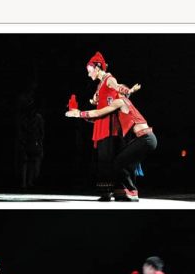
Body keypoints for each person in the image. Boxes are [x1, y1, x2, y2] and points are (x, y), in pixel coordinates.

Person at [66, 92, 157, 202]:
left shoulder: (120, 101)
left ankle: (130, 191)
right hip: (146, 138)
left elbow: (98, 112)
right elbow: (101, 117)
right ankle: (124, 191)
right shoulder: (122, 106)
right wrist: (83, 114)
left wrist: (79, 113)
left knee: (119, 161)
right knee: (125, 163)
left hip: (145, 138)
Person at [82, 51, 141, 200]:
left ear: (97, 68)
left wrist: (129, 90)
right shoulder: (100, 84)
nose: (88, 74)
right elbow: (104, 98)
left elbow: (118, 87)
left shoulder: (109, 79)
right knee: (104, 159)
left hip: (110, 125)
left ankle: (124, 190)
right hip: (102, 123)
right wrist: (95, 100)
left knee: (112, 158)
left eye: (90, 71)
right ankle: (108, 190)